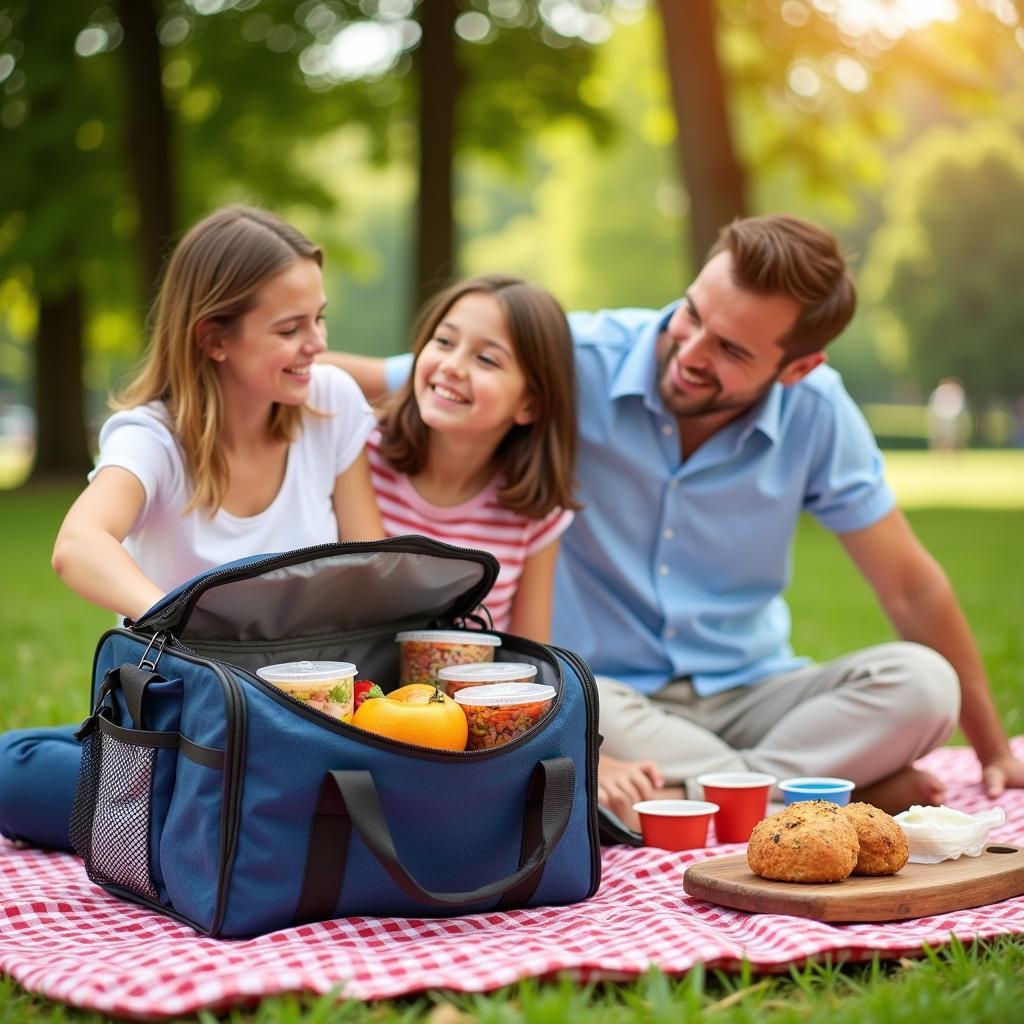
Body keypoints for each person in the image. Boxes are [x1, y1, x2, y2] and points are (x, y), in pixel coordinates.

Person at [322, 214, 1024, 823]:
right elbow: (410, 373)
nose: (688, 354)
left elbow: (912, 587)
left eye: (732, 350)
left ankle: (700, 793)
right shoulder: (570, 356)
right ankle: (822, 793)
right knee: (580, 707)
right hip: (613, 697)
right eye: (692, 314)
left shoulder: (820, 413)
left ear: (797, 367)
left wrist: (992, 749)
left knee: (925, 684)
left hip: (754, 689)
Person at [0, 205, 384, 851]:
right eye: (290, 328)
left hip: (313, 707)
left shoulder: (331, 402)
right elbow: (78, 545)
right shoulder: (153, 436)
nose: (317, 344)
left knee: (25, 763)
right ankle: (227, 809)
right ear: (214, 338)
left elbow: (371, 561)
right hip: (190, 716)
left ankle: (195, 817)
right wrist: (189, 629)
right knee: (16, 762)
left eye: (318, 319)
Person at [340, 275, 665, 808]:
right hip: (358, 715)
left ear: (530, 405)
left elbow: (529, 655)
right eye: (444, 342)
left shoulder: (533, 513)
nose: (451, 365)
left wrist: (588, 753)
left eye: (486, 360)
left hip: (468, 740)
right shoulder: (357, 454)